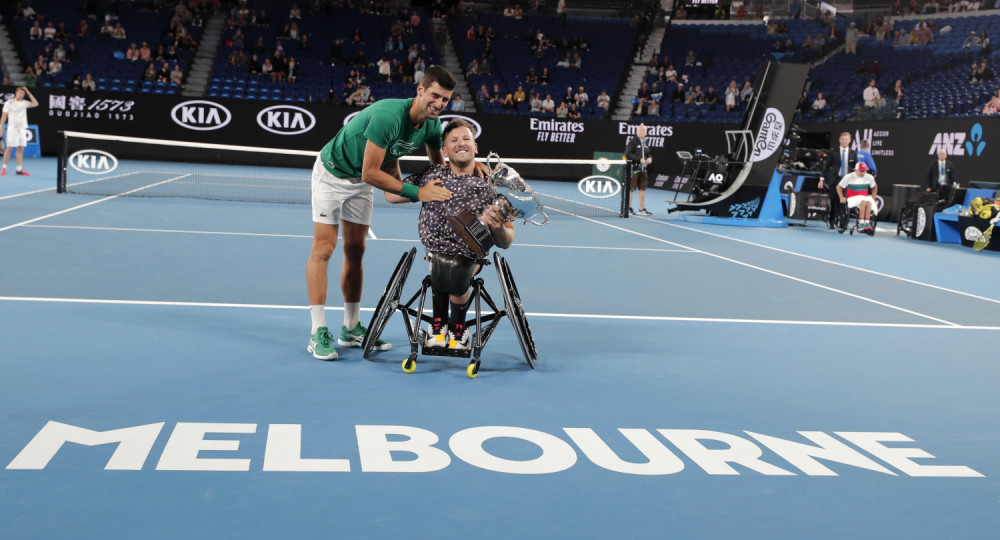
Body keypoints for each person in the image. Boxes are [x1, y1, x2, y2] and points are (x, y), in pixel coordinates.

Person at [306, 66, 487, 361]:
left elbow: (441, 170)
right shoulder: (388, 116)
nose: (439, 104)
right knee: (324, 249)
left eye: (445, 99)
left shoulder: (431, 126)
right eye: (435, 96)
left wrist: (471, 164)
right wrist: (418, 192)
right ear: (420, 89)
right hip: (333, 174)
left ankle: (351, 327)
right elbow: (370, 172)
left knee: (355, 250)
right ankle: (318, 330)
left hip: (363, 181)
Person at [385, 119, 515, 349]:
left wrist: (498, 228)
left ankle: (455, 327)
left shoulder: (492, 185)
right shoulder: (431, 175)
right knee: (444, 264)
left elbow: (506, 242)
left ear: (475, 147)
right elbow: (391, 195)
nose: (461, 143)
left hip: (471, 255)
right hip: (435, 251)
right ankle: (441, 324)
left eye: (466, 139)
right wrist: (393, 155)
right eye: (454, 140)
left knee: (456, 267)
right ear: (444, 151)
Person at [820, 132, 856, 229]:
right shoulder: (833, 152)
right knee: (833, 201)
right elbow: (826, 166)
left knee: (844, 202)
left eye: (846, 139)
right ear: (839, 140)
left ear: (849, 140)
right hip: (834, 180)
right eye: (842, 139)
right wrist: (821, 179)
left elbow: (856, 168)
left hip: (847, 181)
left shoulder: (853, 153)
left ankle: (843, 224)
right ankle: (832, 221)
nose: (844, 141)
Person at [0, 87, 40, 176]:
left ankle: (19, 169)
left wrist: (28, 92)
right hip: (12, 129)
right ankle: (4, 168)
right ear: (16, 93)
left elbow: (36, 103)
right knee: (9, 148)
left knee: (21, 148)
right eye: (20, 93)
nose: (21, 95)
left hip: (22, 129)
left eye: (23, 94)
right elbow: (4, 116)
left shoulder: (24, 103)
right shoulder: (8, 103)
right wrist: (1, 128)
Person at [837, 162, 878, 232]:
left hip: (864, 197)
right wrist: (841, 197)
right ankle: (861, 224)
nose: (863, 173)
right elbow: (839, 187)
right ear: (856, 170)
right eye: (861, 171)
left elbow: (874, 187)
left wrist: (873, 198)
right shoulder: (849, 176)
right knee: (863, 202)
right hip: (852, 198)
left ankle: (867, 224)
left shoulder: (869, 177)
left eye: (864, 171)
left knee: (869, 202)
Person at [625, 124, 653, 216]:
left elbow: (648, 154)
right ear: (637, 132)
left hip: (643, 169)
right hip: (634, 169)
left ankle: (641, 209)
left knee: (642, 188)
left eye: (643, 130)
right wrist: (639, 159)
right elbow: (628, 154)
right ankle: (628, 208)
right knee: (631, 189)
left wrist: (650, 158)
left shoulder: (645, 142)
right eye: (640, 130)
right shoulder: (632, 141)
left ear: (646, 133)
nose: (642, 132)